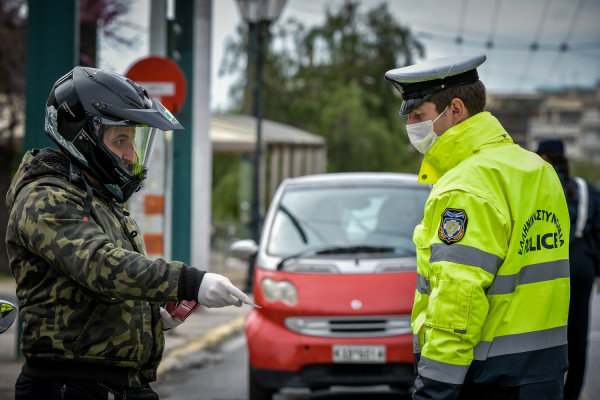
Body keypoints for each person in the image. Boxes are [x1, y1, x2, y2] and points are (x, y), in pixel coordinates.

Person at [5, 67, 252, 400]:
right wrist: (190, 281)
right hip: (68, 386)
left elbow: (99, 295)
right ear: (83, 136)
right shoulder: (45, 198)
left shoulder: (101, 199)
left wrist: (148, 316)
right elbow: (102, 267)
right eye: (120, 140)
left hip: (117, 384)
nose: (129, 155)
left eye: (132, 142)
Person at [384, 54, 571, 399]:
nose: (411, 126)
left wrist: (433, 390)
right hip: (544, 374)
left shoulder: (466, 186)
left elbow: (457, 302)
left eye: (418, 115)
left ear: (455, 110)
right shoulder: (537, 171)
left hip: (487, 378)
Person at [536, 139, 600, 400]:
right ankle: (571, 394)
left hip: (546, 264)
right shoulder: (585, 189)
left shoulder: (538, 186)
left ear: (542, 158)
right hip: (581, 265)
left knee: (540, 333)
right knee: (578, 334)